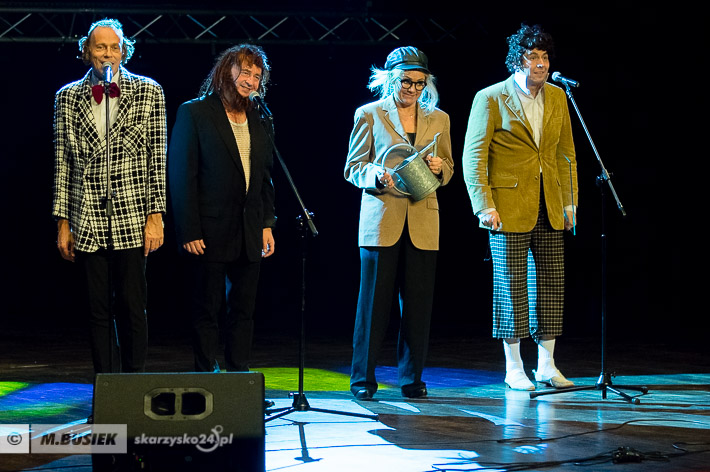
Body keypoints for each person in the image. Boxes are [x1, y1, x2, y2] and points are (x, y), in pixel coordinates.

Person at [462, 24, 578, 391]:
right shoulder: (491, 97)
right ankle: (514, 367)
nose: (540, 64)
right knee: (511, 286)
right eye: (532, 57)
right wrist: (484, 205)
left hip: (550, 203)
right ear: (517, 60)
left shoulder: (558, 96)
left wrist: (570, 201)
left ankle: (547, 365)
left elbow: (566, 153)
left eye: (544, 57)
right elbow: (473, 157)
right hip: (507, 206)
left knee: (551, 284)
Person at [52, 18, 167, 374]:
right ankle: (106, 386)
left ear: (123, 51)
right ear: (87, 51)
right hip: (87, 214)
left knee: (132, 305)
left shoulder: (149, 91)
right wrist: (63, 222)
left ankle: (134, 385)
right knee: (97, 308)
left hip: (131, 214)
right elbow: (62, 163)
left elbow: (157, 159)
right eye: (100, 47)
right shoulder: (67, 97)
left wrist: (156, 216)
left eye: (113, 47)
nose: (107, 54)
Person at [344, 46, 454, 400]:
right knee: (373, 306)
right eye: (406, 81)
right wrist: (375, 175)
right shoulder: (370, 114)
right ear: (391, 79)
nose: (412, 89)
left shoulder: (439, 119)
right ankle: (363, 379)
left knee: (418, 306)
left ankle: (411, 379)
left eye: (420, 83)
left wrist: (440, 168)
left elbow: (449, 167)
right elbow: (353, 167)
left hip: (423, 219)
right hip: (382, 220)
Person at [168, 44, 276, 373]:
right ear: (227, 71)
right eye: (245, 72)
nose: (251, 80)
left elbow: (265, 175)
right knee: (207, 309)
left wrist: (266, 223)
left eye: (257, 75)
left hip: (249, 228)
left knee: (243, 310)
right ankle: (207, 376)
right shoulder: (196, 112)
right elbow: (182, 174)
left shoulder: (261, 116)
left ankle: (239, 375)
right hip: (209, 229)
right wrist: (189, 229)